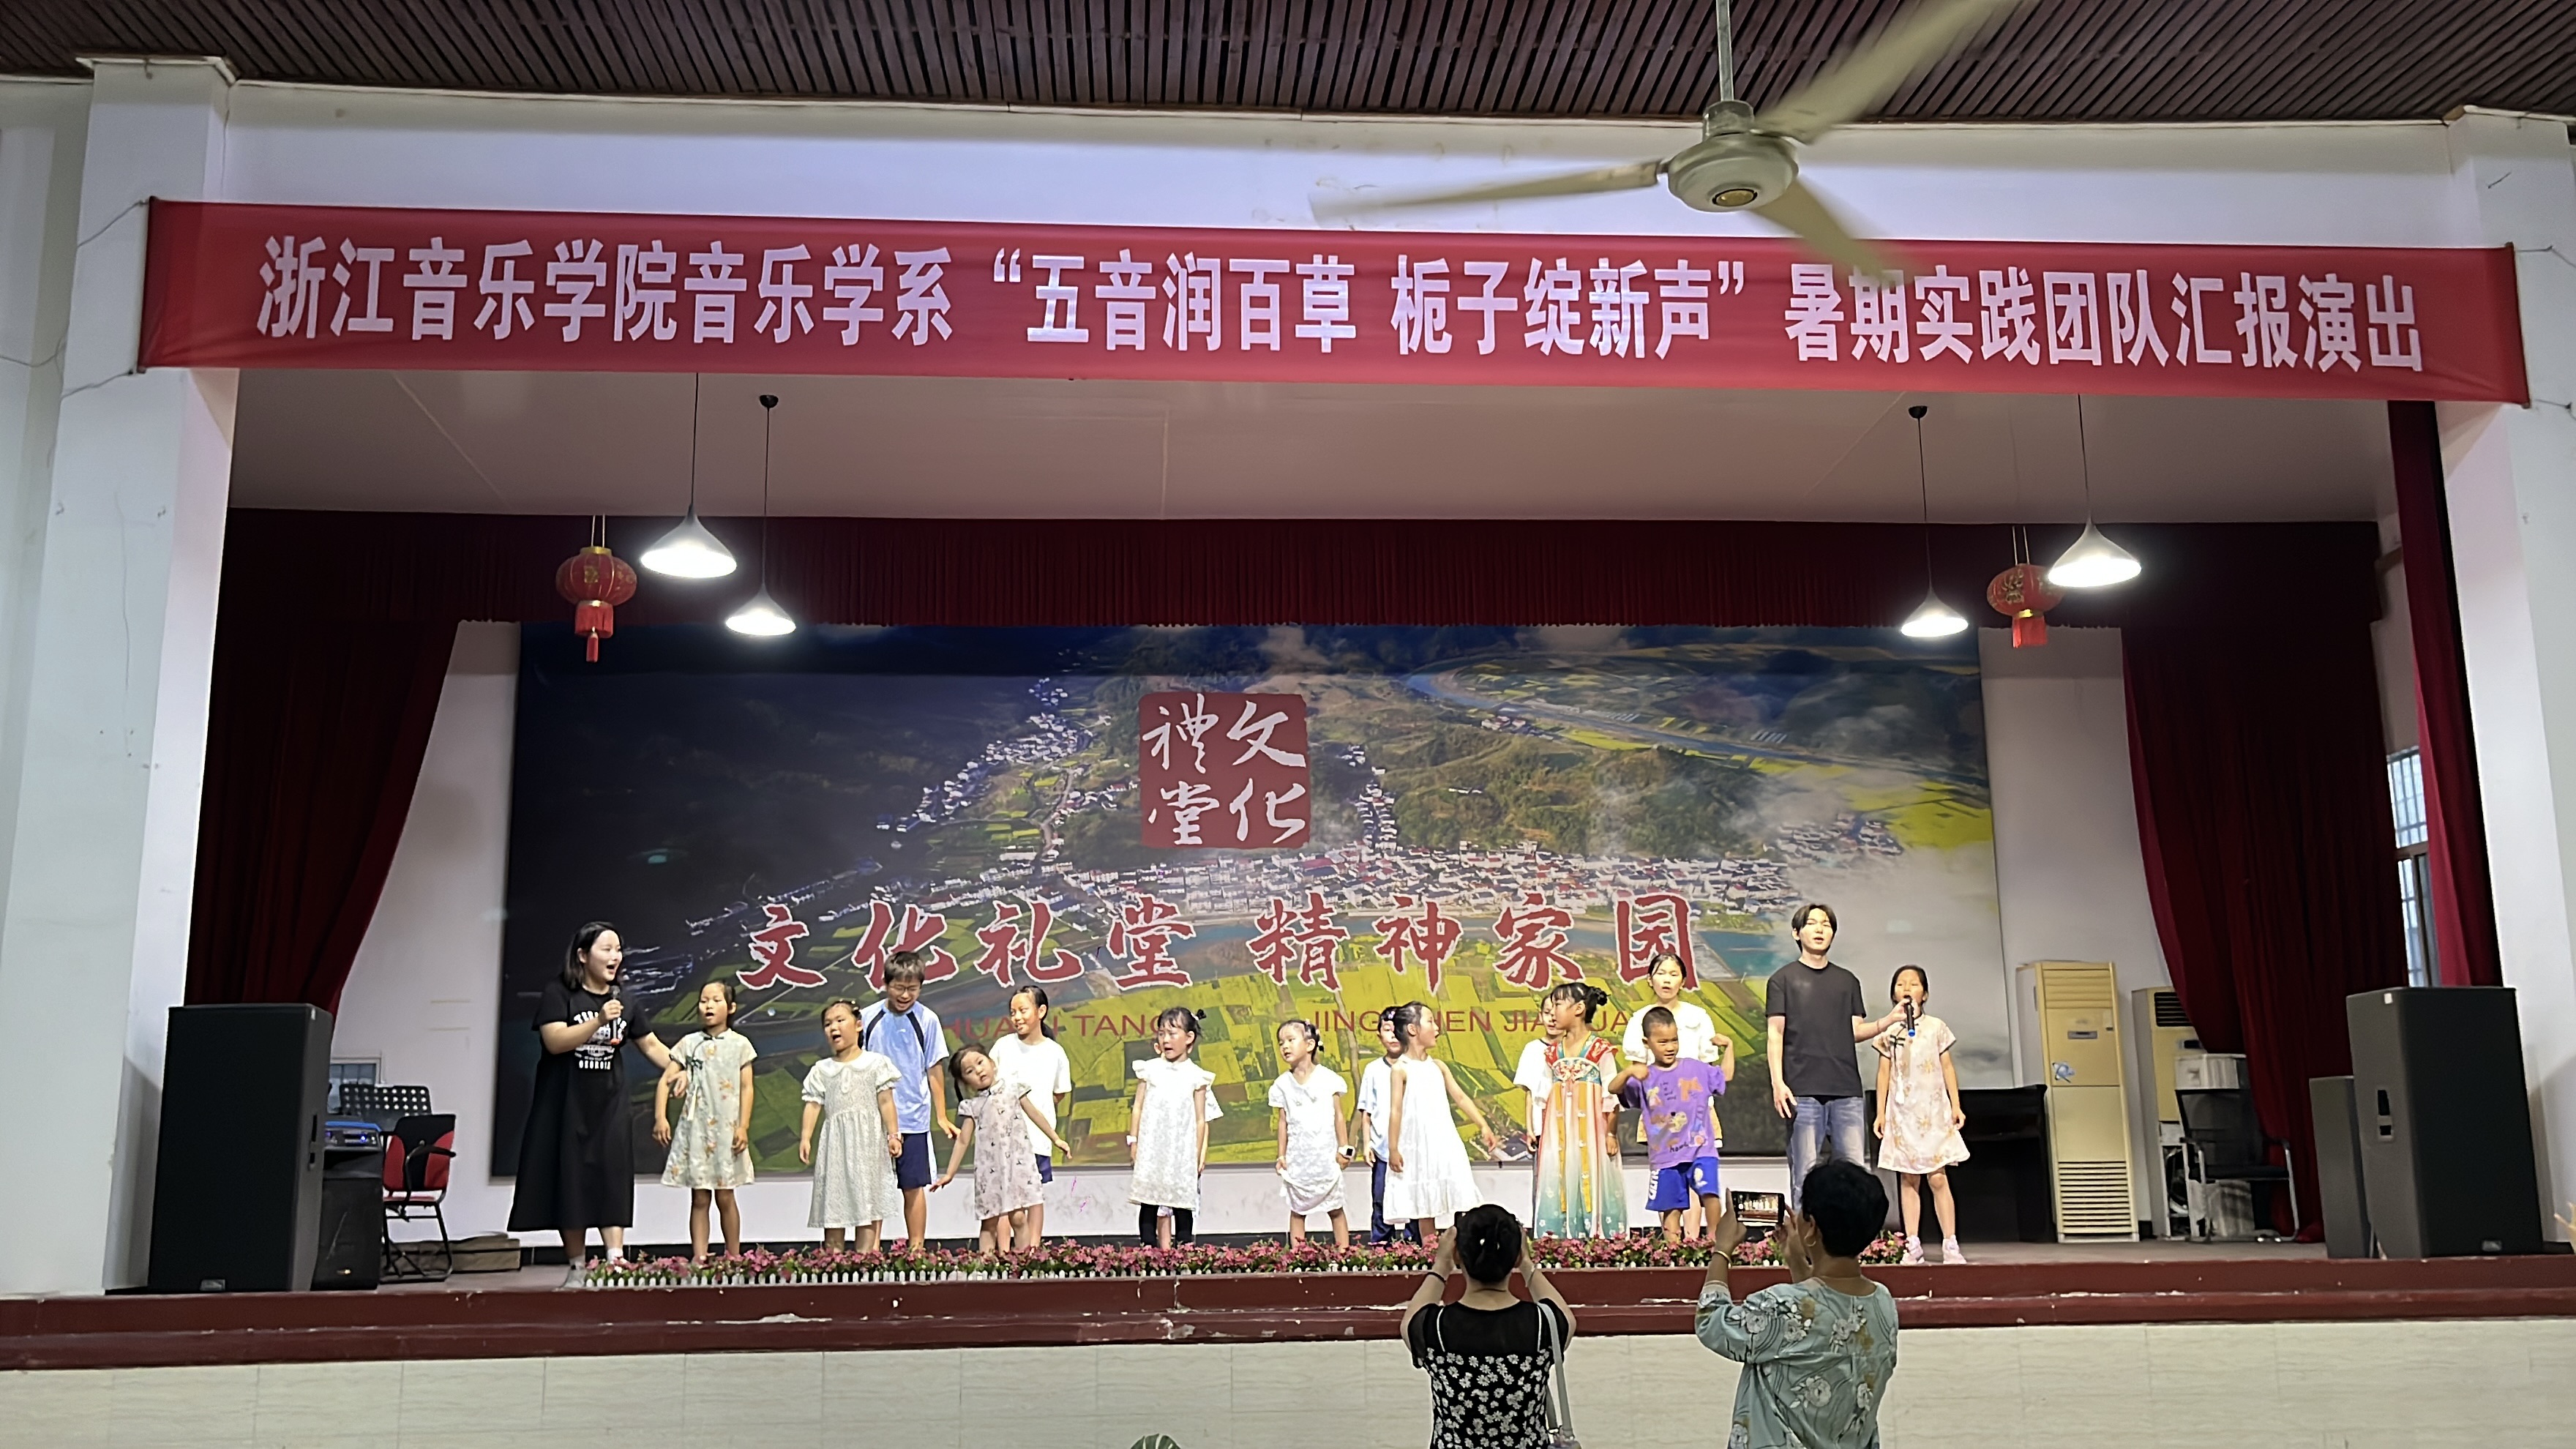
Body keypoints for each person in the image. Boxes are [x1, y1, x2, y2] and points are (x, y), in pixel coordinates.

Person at [508, 921, 683, 1267]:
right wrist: (598, 1021)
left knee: (613, 1176)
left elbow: (650, 1044)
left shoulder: (625, 999)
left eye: (618, 950)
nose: (615, 957)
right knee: (571, 1180)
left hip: (610, 1103)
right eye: (607, 949)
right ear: (583, 955)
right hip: (566, 1104)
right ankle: (577, 1264)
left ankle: (615, 1259)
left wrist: (680, 1067)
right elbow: (555, 1041)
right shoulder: (560, 992)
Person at [1696, 1162, 1899, 1449]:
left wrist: (1723, 1248)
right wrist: (1796, 1259)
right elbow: (1824, 1313)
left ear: (1812, 1227)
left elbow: (1711, 1321)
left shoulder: (1781, 1305)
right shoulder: (1882, 1303)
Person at [1765, 904, 1906, 1209]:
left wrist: (1888, 1020)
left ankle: (1854, 1236)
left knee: (1854, 1174)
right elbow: (1775, 1034)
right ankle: (1806, 1237)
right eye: (1812, 923)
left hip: (1846, 1091)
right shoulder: (1782, 980)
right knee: (1804, 1175)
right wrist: (1778, 1083)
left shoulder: (1847, 981)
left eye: (1826, 924)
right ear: (1797, 933)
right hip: (1802, 1091)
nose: (1820, 929)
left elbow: (1854, 1031)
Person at [1401, 1204, 1576, 1449]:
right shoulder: (1543, 1324)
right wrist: (1526, 1264)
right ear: (1516, 1255)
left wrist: (1441, 1265)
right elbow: (1567, 1318)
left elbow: (1409, 1321)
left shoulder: (1434, 1328)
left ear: (1458, 1255)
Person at [1622, 951, 1733, 1237]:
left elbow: (1709, 1063)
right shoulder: (1639, 1019)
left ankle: (1697, 1241)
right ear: (1650, 980)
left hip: (1696, 1111)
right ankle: (1674, 1245)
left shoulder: (1698, 1017)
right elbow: (1636, 1067)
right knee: (1668, 1177)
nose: (1667, 980)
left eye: (1674, 974)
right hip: (1661, 1111)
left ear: (1683, 980)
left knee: (1700, 1179)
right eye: (1661, 973)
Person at [653, 979, 757, 1262]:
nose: (708, 1006)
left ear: (731, 1007)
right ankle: (699, 1258)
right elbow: (665, 1081)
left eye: (716, 1000)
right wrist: (661, 1117)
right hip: (697, 1131)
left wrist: (743, 1126)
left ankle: (733, 1257)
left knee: (725, 1196)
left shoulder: (741, 1045)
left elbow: (747, 1087)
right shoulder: (690, 1043)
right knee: (699, 1197)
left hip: (727, 1130)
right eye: (703, 1001)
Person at [934, 1043, 1071, 1255]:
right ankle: (986, 1267)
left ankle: (1025, 1263)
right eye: (970, 1071)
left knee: (1019, 1217)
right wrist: (950, 1174)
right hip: (990, 1172)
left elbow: (1035, 1114)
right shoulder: (972, 1106)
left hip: (1017, 1165)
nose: (978, 1071)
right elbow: (963, 1141)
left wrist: (1056, 1139)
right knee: (989, 1221)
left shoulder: (1014, 1089)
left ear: (992, 1063)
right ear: (965, 1082)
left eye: (980, 1063)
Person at [1875, 964, 1971, 1265]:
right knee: (1908, 1179)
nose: (1907, 988)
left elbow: (1947, 1067)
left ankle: (1950, 1243)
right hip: (1903, 1114)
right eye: (1901, 984)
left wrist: (1956, 1105)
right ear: (1894, 994)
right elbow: (1883, 1074)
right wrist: (1880, 1113)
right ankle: (1913, 1243)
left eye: (1914, 984)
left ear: (1925, 994)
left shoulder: (1936, 1027)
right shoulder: (1889, 1031)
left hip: (1933, 1111)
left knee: (1938, 1178)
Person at [858, 949, 951, 1254]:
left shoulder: (927, 1020)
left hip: (913, 1118)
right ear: (885, 984)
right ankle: (870, 1253)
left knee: (913, 1187)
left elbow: (934, 1070)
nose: (905, 995)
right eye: (899, 987)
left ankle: (917, 1251)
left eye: (912, 989)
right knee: (874, 1190)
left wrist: (941, 1116)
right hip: (875, 1120)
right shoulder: (868, 1018)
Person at [1383, 1001, 1501, 1240]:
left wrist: (1483, 1124)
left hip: (1444, 1141)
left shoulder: (1438, 1066)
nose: (1437, 1028)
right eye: (1430, 1021)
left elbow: (1461, 1097)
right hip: (1418, 1145)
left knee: (1458, 1195)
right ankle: (1431, 1253)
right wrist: (1393, 1148)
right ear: (1413, 1030)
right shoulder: (1401, 1070)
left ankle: (1460, 1248)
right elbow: (1395, 1111)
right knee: (1425, 1205)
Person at [799, 997, 904, 1254]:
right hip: (836, 1146)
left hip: (868, 1144)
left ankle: (865, 1261)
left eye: (840, 1020)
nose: (833, 1028)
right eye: (828, 1024)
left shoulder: (876, 1063)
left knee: (867, 1204)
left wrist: (893, 1135)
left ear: (858, 1025)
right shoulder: (822, 1069)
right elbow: (813, 1104)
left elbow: (886, 1101)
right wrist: (805, 1137)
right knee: (834, 1206)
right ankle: (833, 1263)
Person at [1527, 981, 1628, 1239]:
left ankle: (1597, 1239)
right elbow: (1542, 1096)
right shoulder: (1552, 1054)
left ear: (1579, 1009)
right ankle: (1560, 1241)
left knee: (1592, 1176)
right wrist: (1539, 1132)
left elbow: (1611, 1094)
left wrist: (1611, 1133)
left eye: (1558, 1005)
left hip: (1592, 1133)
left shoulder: (1599, 1050)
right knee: (1560, 1177)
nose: (1553, 1012)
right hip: (1559, 1133)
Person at [989, 985, 1073, 1245]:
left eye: (1023, 1010)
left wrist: (1040, 1114)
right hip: (1004, 1137)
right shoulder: (1003, 1047)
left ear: (1041, 1011)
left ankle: (1032, 1251)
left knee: (1034, 1195)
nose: (1017, 1017)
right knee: (1005, 1197)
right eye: (1012, 1012)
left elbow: (1059, 1093)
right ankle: (1004, 1253)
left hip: (1037, 1138)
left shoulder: (1055, 1052)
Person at [1129, 1006, 1218, 1246]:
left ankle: (1184, 1254)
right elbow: (1138, 1107)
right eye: (1161, 1034)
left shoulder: (1197, 1076)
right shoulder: (1149, 1070)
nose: (1165, 1040)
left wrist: (1198, 1154)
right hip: (1151, 1148)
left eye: (1172, 1033)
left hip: (1181, 1152)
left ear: (1189, 1038)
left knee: (1182, 1204)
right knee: (1149, 1202)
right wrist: (1133, 1141)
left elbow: (1200, 1120)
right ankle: (1148, 1253)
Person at [1270, 1018, 1353, 1246]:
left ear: (1310, 1045)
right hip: (1299, 1157)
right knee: (1298, 1210)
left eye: (1291, 1040)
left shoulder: (1329, 1079)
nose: (1285, 1047)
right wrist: (1281, 1155)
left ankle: (1344, 1255)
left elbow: (1339, 1116)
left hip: (1325, 1155)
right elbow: (1283, 1123)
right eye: (1281, 1043)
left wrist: (1344, 1149)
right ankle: (1299, 1257)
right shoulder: (1282, 1085)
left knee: (1335, 1209)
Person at [1354, 1014, 1416, 1243]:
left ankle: (1415, 1247)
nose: (1393, 1035)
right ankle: (1382, 1247)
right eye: (1387, 1030)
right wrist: (1367, 1143)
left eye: (1397, 1029)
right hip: (1381, 1148)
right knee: (1380, 1199)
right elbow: (1367, 1110)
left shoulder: (1415, 1067)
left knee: (1413, 1200)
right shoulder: (1372, 1070)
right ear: (1379, 1035)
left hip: (1411, 1148)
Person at [1509, 1010, 1567, 1155]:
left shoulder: (1574, 1049)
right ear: (1540, 1016)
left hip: (1571, 1127)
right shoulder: (1532, 1049)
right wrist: (1530, 1130)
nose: (1552, 1019)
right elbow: (1530, 1092)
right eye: (1548, 1013)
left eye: (1557, 1013)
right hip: (1542, 1128)